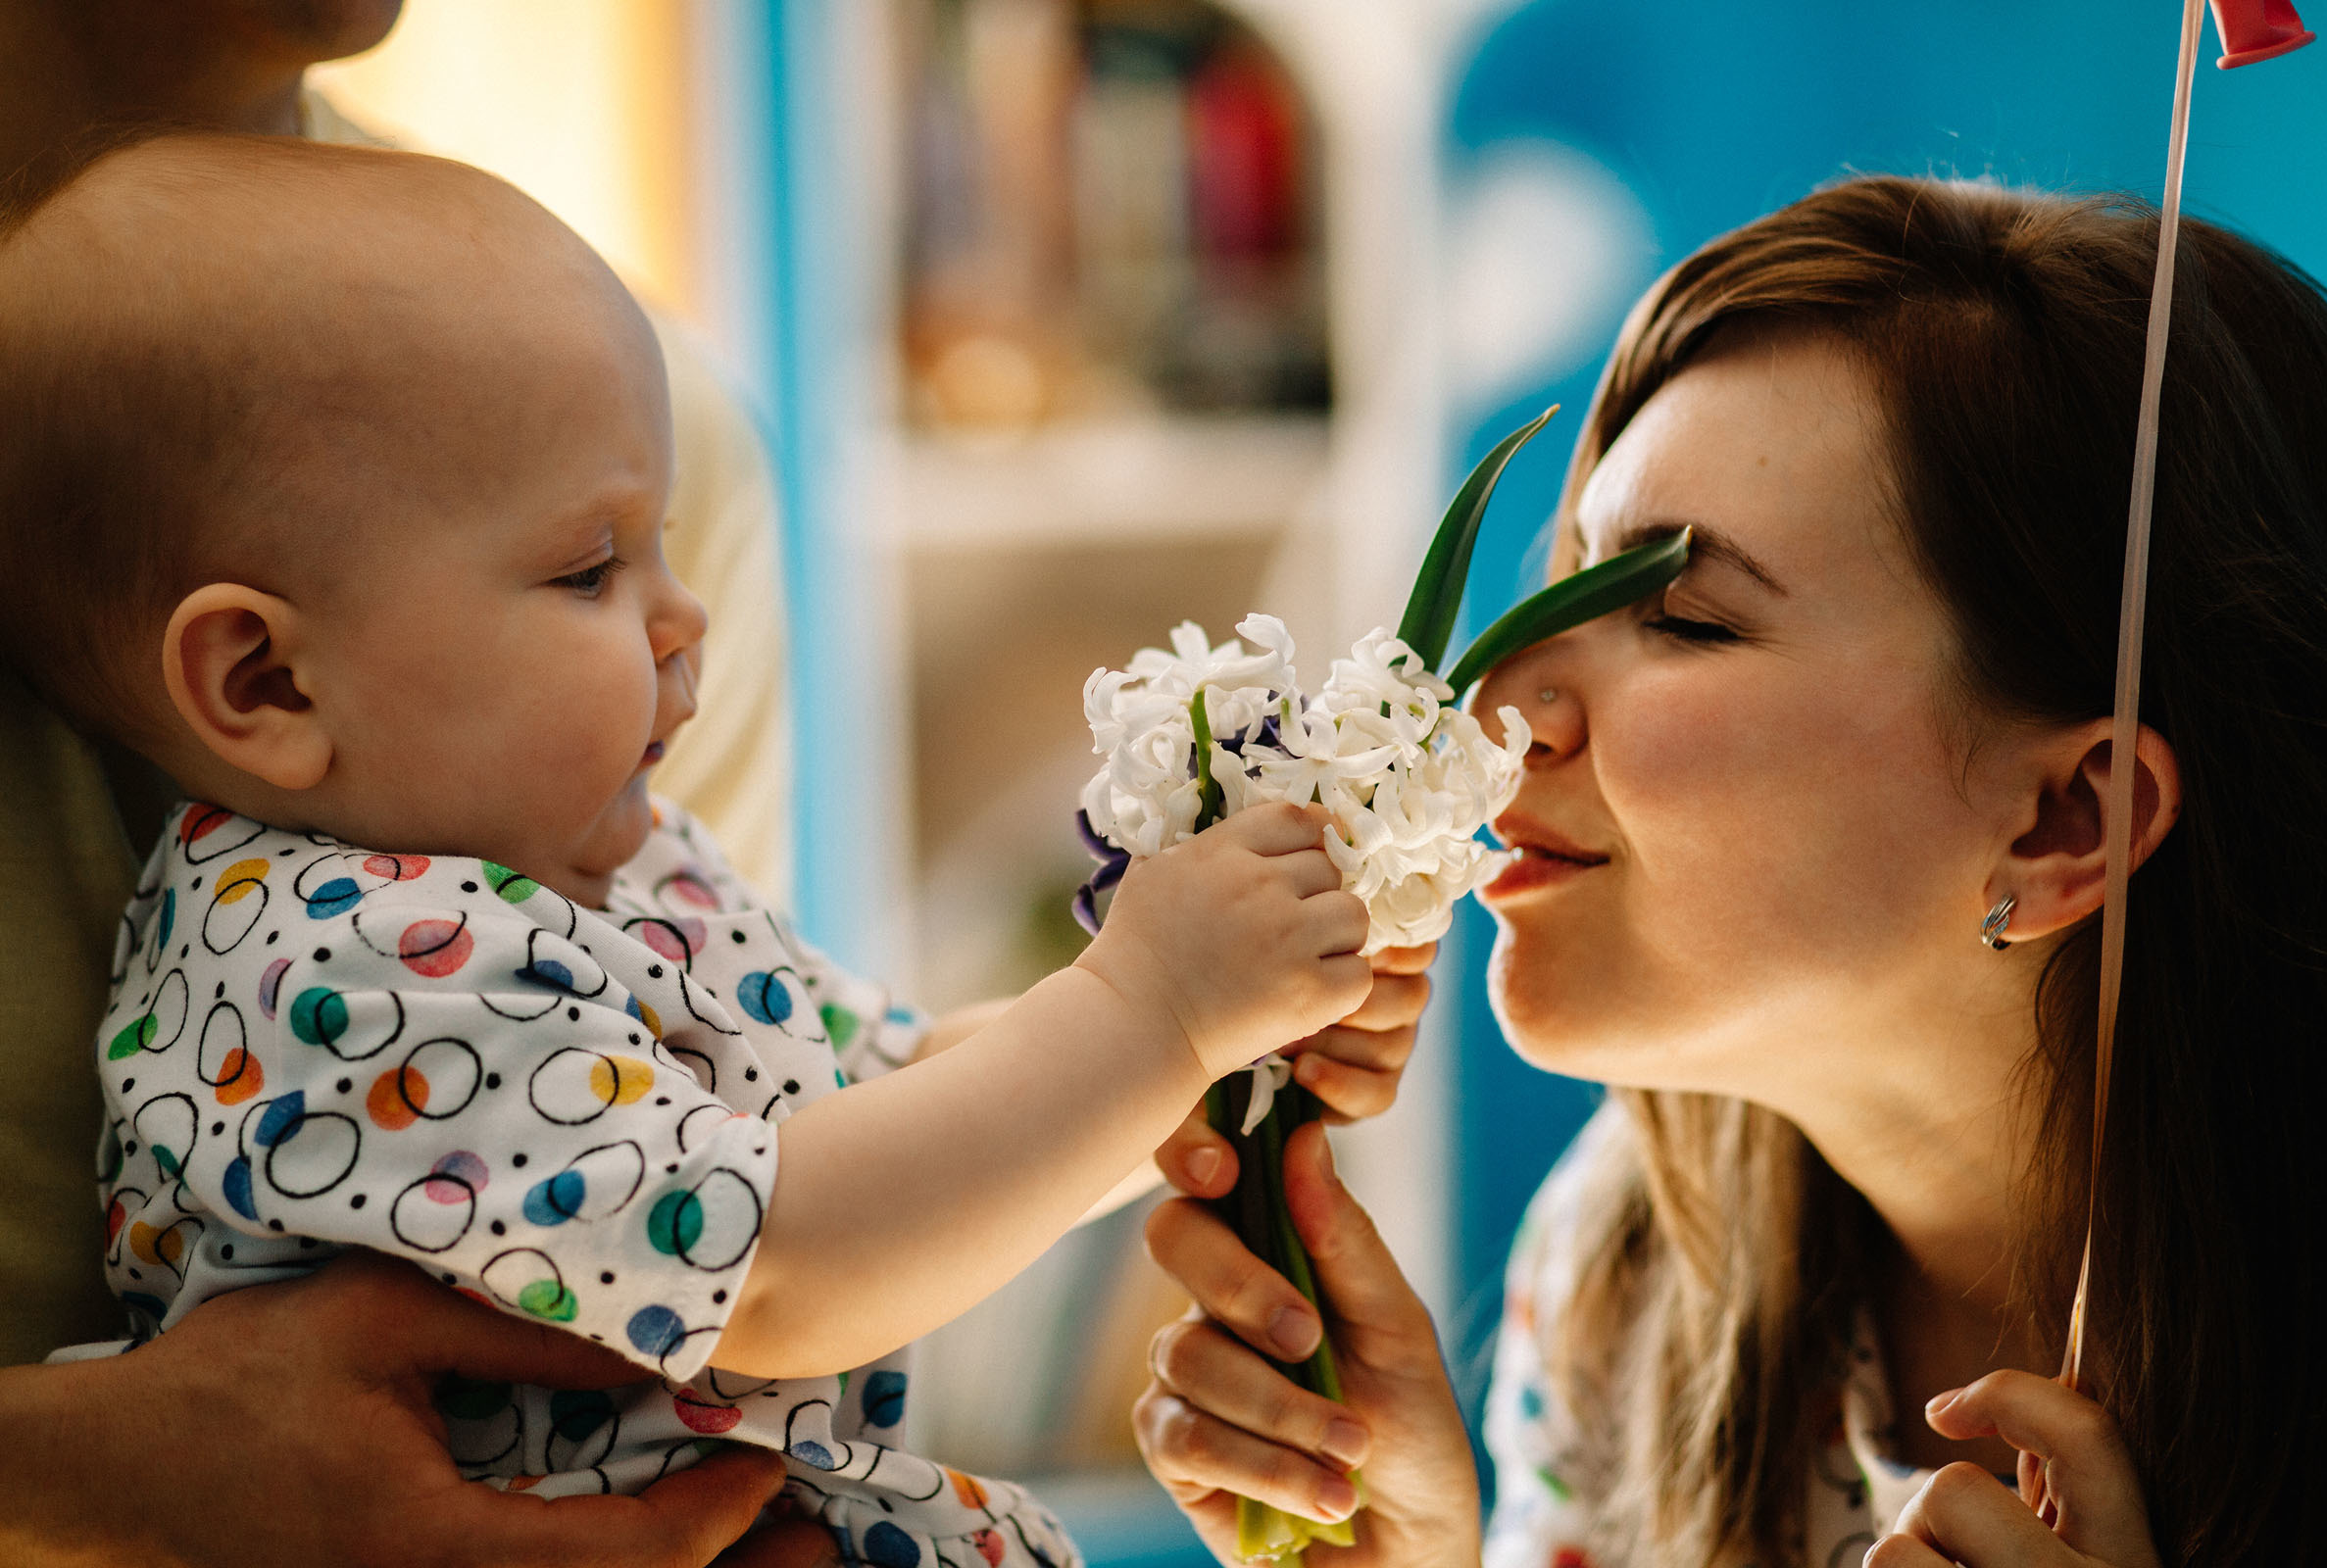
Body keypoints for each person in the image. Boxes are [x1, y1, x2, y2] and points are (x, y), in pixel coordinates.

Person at [0, 129, 1385, 1560]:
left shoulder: (601, 866)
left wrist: (1201, 1057)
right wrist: (1143, 1012)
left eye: (660, 541)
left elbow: (895, 1113)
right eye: (590, 567)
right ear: (267, 685)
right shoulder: (335, 971)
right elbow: (788, 1263)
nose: (682, 615)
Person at [1132, 175, 2327, 1568]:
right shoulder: (1630, 1272)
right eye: (1572, 580)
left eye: (1688, 620)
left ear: (2069, 821)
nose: (1496, 700)